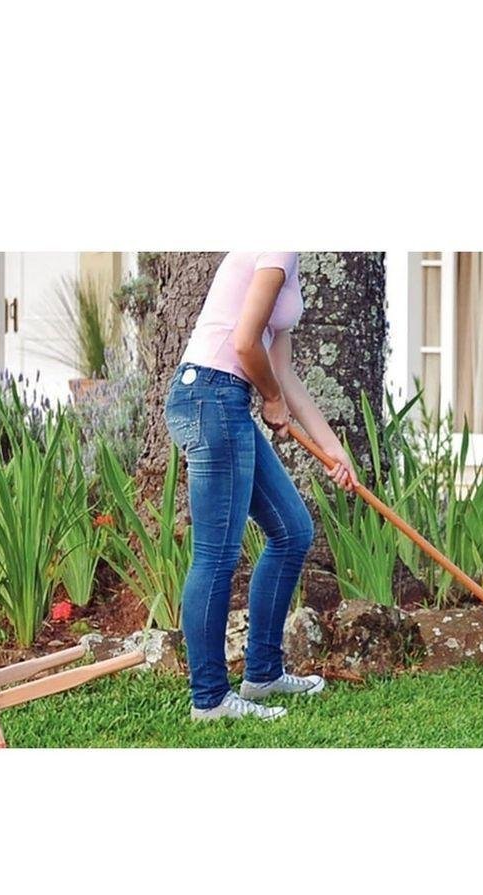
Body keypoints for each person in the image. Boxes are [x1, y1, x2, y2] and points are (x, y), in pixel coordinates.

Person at [164, 252, 358, 722]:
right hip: (210, 395)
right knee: (216, 554)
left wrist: (333, 450)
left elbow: (283, 370)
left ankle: (263, 674)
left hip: (223, 398)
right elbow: (245, 342)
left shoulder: (288, 260)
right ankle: (209, 698)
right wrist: (269, 398)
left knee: (292, 530)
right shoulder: (275, 246)